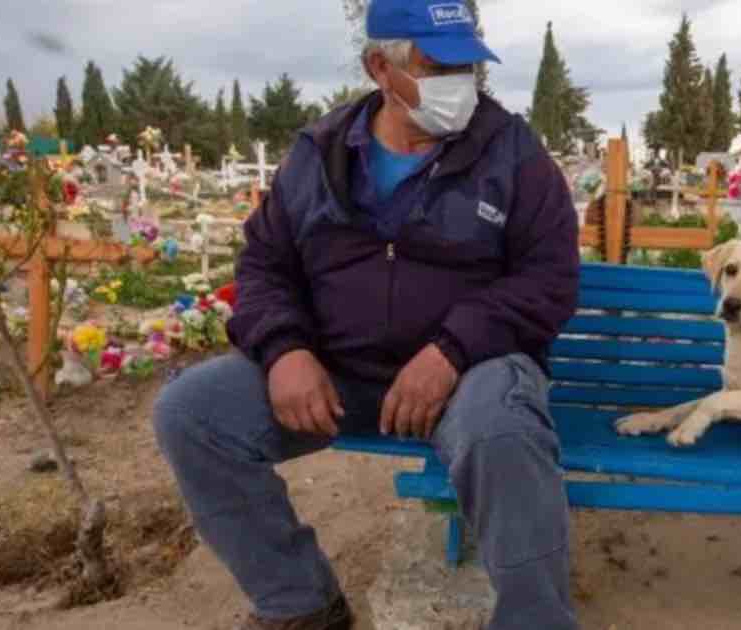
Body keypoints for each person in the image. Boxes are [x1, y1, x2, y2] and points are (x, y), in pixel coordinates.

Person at [151, 1, 581, 629]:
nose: (460, 84)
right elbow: (266, 266)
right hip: (338, 371)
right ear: (380, 66)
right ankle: (300, 603)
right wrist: (284, 349)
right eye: (439, 67)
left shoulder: (512, 153)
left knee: (502, 431)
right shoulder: (319, 153)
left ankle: (534, 620)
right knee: (190, 413)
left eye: (470, 67)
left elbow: (548, 278)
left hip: (467, 374)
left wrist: (451, 351)